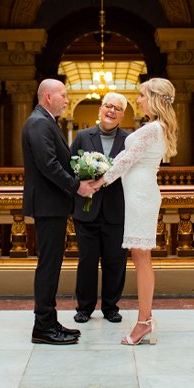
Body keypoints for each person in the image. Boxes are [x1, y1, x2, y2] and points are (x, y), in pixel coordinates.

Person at [93, 77, 177, 346]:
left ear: (153, 97)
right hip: (138, 193)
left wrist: (97, 182)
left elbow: (125, 160)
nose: (138, 100)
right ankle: (145, 319)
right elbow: (125, 160)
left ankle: (144, 322)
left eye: (141, 95)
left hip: (141, 195)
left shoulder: (153, 128)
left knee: (141, 257)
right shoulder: (153, 126)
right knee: (140, 256)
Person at [22, 78, 98, 345]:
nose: (67, 100)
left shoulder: (43, 120)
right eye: (63, 95)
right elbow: (49, 164)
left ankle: (48, 321)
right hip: (48, 204)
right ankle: (43, 326)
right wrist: (77, 186)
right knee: (48, 265)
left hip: (51, 204)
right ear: (48, 97)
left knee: (52, 264)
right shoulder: (40, 123)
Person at [69, 91, 129, 324]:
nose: (111, 111)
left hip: (117, 209)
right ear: (100, 109)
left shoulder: (129, 140)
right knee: (87, 261)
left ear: (122, 115)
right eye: (108, 106)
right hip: (86, 209)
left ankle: (111, 307)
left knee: (115, 261)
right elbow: (70, 165)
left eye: (117, 108)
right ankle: (84, 307)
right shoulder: (83, 136)